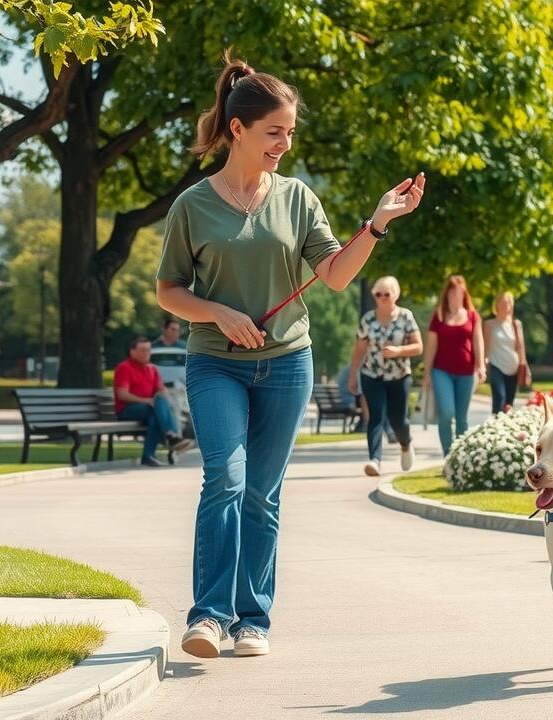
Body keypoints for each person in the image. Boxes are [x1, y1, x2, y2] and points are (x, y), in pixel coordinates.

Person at [155, 58, 424, 660]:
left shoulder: (298, 198)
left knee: (262, 494)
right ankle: (208, 617)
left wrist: (378, 223)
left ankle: (252, 621)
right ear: (238, 129)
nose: (285, 143)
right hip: (216, 362)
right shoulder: (192, 206)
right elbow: (169, 291)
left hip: (286, 364)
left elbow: (334, 274)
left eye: (291, 132)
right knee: (225, 477)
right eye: (274, 131)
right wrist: (218, 312)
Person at [348, 276, 422, 476]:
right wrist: (353, 375)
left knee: (399, 420)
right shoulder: (368, 319)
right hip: (371, 374)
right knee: (376, 415)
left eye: (386, 294)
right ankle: (375, 460)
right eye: (377, 294)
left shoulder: (406, 317)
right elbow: (359, 349)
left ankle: (405, 444)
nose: (381, 298)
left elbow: (418, 347)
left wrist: (399, 351)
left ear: (395, 295)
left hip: (399, 375)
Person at [422, 275, 484, 455]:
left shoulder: (472, 316)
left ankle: (460, 457)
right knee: (446, 413)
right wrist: (426, 373)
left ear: (464, 294)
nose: (456, 295)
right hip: (442, 371)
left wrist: (481, 365)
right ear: (447, 294)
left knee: (462, 418)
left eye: (459, 292)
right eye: (452, 292)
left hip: (467, 372)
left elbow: (478, 341)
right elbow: (431, 347)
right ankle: (448, 455)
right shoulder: (439, 316)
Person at [113, 336, 195, 466]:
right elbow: (122, 395)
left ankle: (150, 454)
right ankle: (171, 436)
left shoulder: (152, 369)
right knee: (157, 407)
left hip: (150, 409)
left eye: (148, 350)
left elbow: (162, 390)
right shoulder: (124, 368)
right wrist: (145, 401)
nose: (146, 353)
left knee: (155, 415)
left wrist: (161, 397)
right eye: (142, 350)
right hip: (127, 409)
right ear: (132, 351)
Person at [482, 292, 529, 414]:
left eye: (508, 303)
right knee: (499, 396)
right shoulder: (489, 324)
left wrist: (523, 365)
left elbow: (520, 347)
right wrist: (483, 364)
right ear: (496, 305)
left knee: (509, 404)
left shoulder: (516, 324)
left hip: (513, 368)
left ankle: (506, 425)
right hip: (496, 365)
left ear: (511, 306)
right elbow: (486, 347)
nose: (505, 305)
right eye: (502, 302)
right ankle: (494, 423)